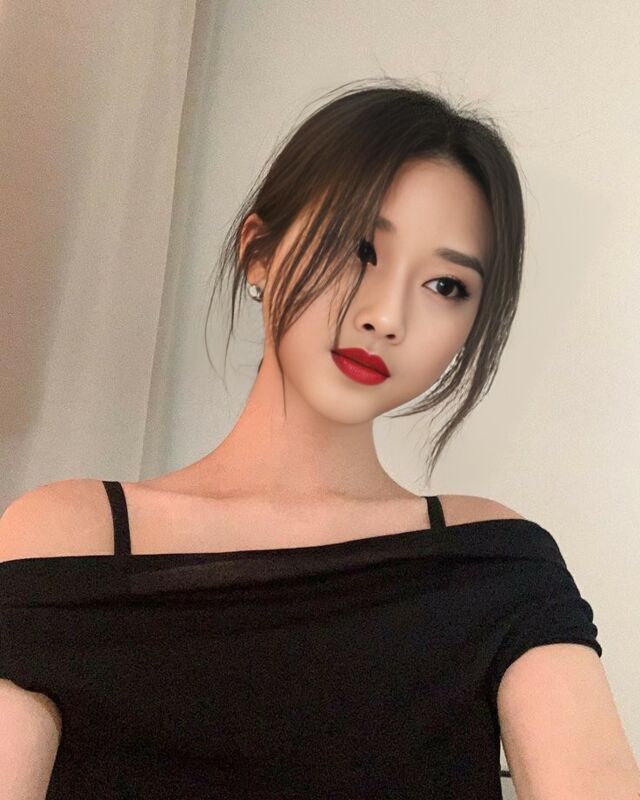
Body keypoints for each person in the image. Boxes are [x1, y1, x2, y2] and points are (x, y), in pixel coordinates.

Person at [1, 78, 636, 799]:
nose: (387, 316)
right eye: (361, 247)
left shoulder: (496, 563)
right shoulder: (69, 539)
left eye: (446, 286)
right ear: (259, 252)